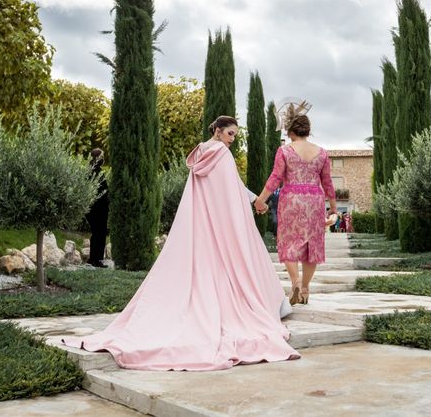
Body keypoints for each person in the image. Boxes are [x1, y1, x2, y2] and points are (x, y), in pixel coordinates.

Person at [63, 116, 299, 371]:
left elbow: (218, 189)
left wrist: (253, 199)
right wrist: (255, 201)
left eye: (234, 135)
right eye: (230, 134)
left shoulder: (200, 153)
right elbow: (232, 189)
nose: (232, 140)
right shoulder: (221, 154)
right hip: (219, 224)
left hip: (201, 225)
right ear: (218, 132)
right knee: (238, 265)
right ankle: (265, 306)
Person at [254, 101, 337, 305]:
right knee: (312, 246)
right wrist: (334, 209)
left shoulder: (285, 151)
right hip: (315, 200)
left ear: (291, 130)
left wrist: (260, 200)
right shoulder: (322, 153)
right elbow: (327, 183)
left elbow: (275, 177)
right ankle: (306, 289)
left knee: (288, 242)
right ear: (307, 130)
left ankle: (295, 281)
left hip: (291, 198)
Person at [87, 148, 109, 268]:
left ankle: (92, 258)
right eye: (102, 156)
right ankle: (97, 259)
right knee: (100, 233)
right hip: (99, 209)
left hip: (92, 209)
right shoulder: (97, 172)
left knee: (95, 233)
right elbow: (103, 191)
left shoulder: (89, 171)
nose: (103, 159)